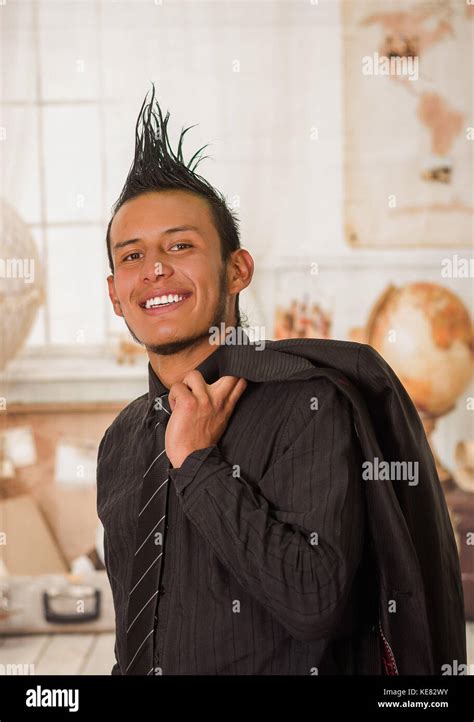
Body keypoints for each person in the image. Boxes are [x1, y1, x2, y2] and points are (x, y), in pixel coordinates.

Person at [96, 85, 466, 675]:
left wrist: (198, 465)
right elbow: (137, 636)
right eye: (132, 256)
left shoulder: (310, 406)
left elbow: (315, 603)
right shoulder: (121, 441)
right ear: (115, 293)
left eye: (181, 245)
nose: (156, 268)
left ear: (238, 269)